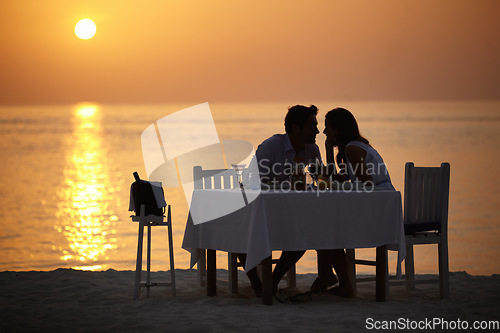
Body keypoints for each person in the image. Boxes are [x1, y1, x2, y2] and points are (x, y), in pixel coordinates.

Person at [238, 104, 325, 296]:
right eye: (312, 126)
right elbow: (252, 182)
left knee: (305, 233)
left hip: (290, 213)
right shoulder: (271, 146)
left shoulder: (312, 149)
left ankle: (272, 282)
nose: (318, 131)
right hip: (259, 211)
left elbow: (320, 181)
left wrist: (318, 173)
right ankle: (257, 284)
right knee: (238, 231)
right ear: (296, 128)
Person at [312, 107, 396, 298]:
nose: (324, 132)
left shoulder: (352, 149)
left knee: (326, 228)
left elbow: (366, 185)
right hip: (379, 203)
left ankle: (342, 284)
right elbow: (339, 179)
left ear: (338, 130)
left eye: (327, 128)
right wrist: (327, 149)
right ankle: (330, 277)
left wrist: (337, 184)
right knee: (324, 225)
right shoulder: (354, 146)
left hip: (379, 209)